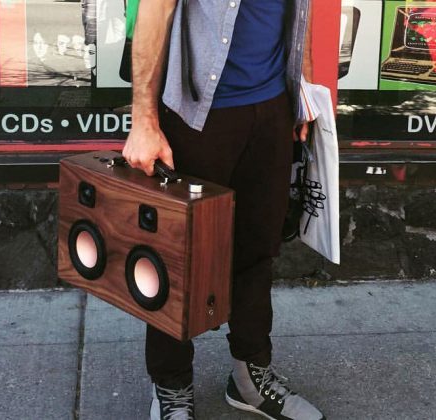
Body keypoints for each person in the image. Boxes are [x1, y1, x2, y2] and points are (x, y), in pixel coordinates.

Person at [122, 1, 325, 419]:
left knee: (257, 250)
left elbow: (298, 13)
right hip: (196, 113)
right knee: (174, 262)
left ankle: (251, 380)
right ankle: (171, 387)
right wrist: (143, 119)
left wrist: (302, 90)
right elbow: (154, 11)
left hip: (271, 109)